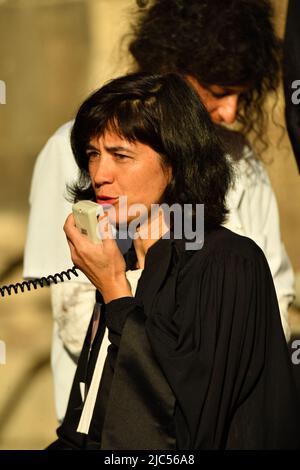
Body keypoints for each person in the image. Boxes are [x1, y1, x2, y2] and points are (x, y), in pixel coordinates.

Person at [23, 0, 295, 422]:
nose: (230, 113)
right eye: (218, 92)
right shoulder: (70, 148)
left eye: (241, 95)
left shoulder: (240, 160)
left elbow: (273, 297)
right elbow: (73, 316)